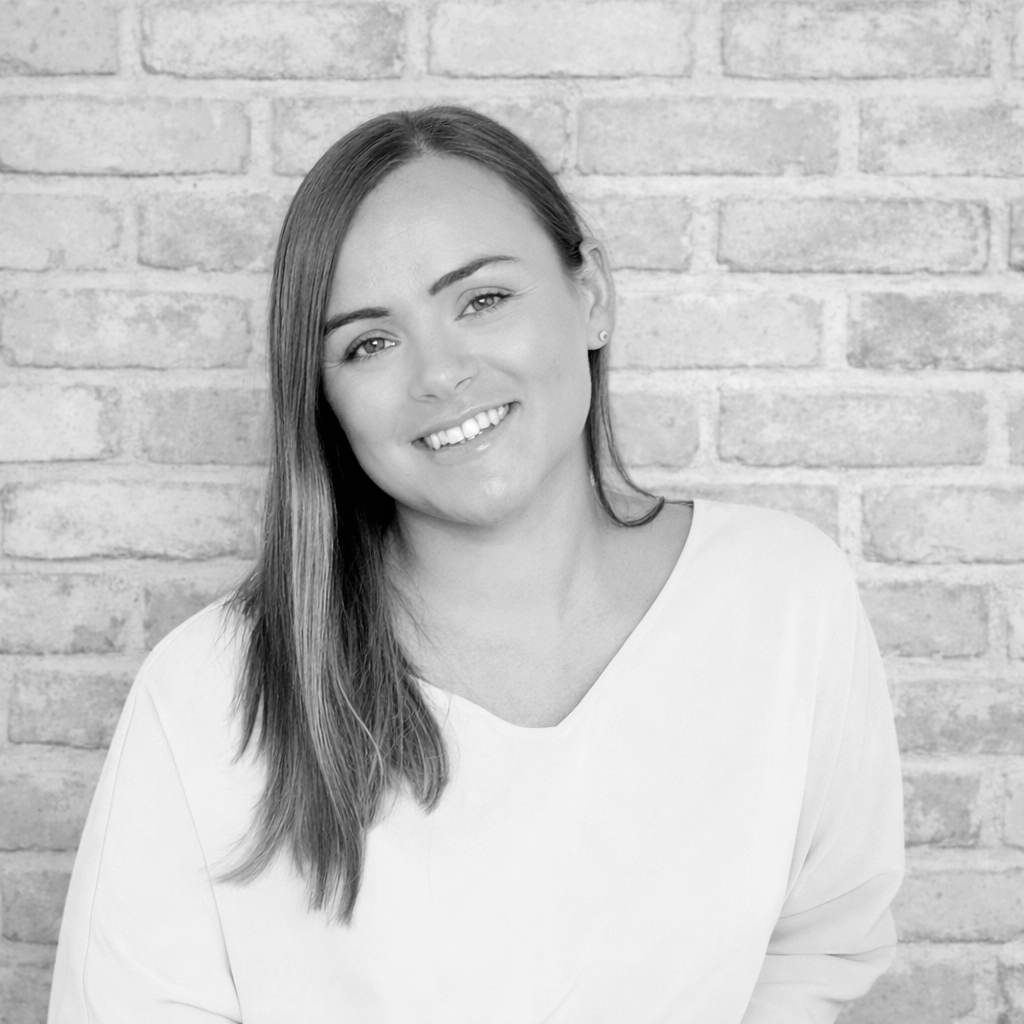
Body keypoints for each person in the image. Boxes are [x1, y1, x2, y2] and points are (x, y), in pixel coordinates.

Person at [48, 106, 904, 1023]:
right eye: (369, 343)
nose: (439, 372)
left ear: (591, 295)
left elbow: (820, 945)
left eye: (483, 299)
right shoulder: (205, 693)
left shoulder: (784, 600)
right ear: (325, 398)